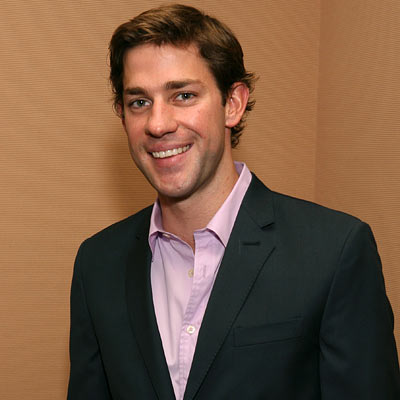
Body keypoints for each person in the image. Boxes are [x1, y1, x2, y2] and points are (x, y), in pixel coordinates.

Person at [67, 4, 400, 399]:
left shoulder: (333, 251)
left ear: (233, 104)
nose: (157, 124)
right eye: (139, 102)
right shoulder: (98, 263)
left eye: (183, 95)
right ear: (122, 115)